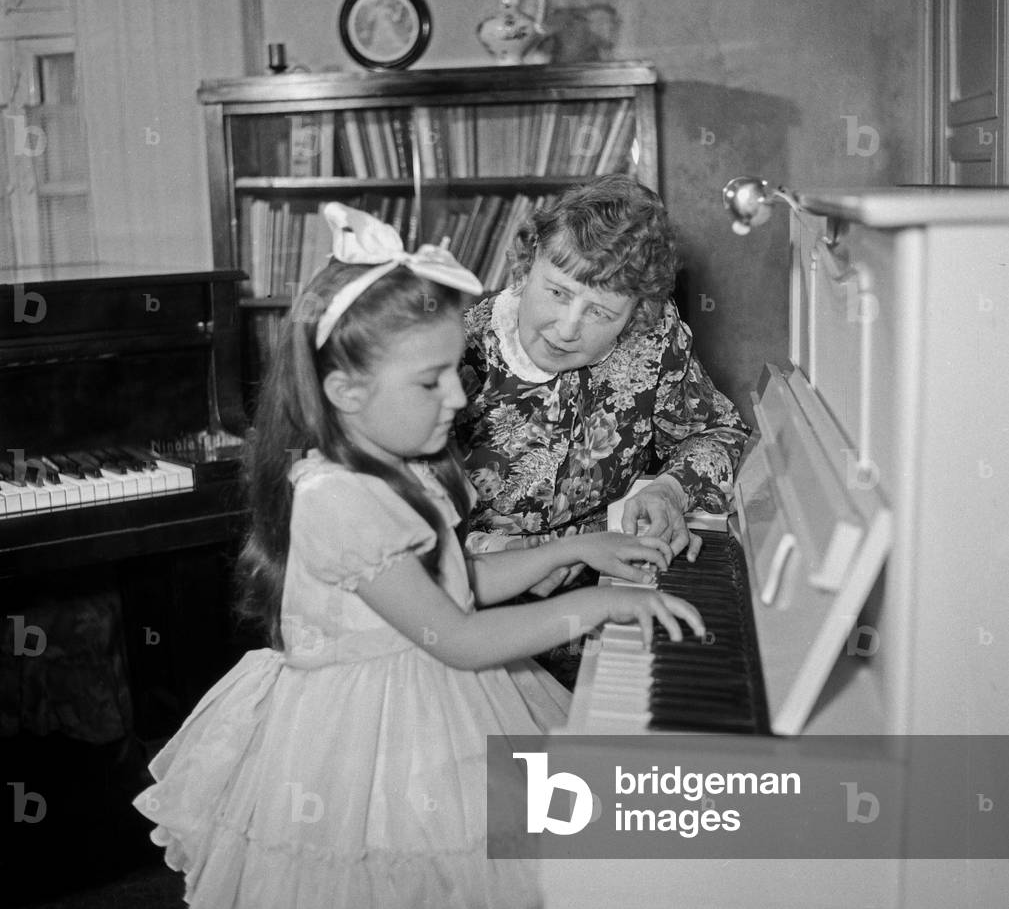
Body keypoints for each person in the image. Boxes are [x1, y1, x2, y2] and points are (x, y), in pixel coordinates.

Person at [133, 204, 704, 909]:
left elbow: (455, 585)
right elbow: (458, 635)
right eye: (433, 380)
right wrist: (598, 601)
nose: (460, 394)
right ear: (346, 392)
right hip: (367, 738)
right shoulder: (338, 497)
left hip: (431, 692)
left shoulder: (399, 463)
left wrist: (576, 545)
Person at [455, 174, 750, 686]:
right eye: (556, 292)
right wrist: (518, 557)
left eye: (600, 312)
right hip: (477, 624)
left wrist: (668, 490)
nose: (567, 328)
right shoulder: (457, 354)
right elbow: (394, 531)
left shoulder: (654, 343)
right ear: (526, 264)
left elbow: (720, 432)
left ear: (636, 314)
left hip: (611, 605)